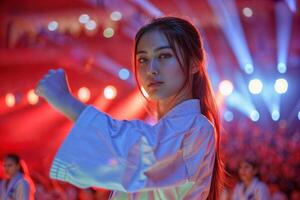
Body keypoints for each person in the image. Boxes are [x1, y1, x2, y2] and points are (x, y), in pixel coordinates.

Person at [35, 16, 224, 200]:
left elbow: (139, 147)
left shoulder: (197, 126)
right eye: (143, 59)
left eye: (164, 55)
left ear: (194, 63)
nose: (151, 69)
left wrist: (66, 102)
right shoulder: (162, 131)